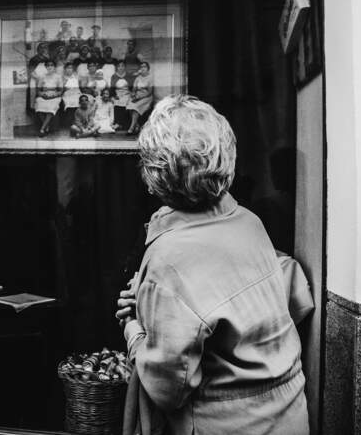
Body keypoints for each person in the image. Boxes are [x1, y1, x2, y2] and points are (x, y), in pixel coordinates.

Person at [115, 95, 311, 435]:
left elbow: (168, 389)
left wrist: (134, 327)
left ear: (155, 170)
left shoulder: (169, 257)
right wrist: (151, 301)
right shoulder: (248, 221)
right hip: (287, 415)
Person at [35, 60, 63, 137]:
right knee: (39, 104)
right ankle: (46, 126)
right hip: (44, 95)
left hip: (54, 96)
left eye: (51, 65)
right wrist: (42, 95)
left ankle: (42, 129)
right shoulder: (42, 76)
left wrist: (53, 95)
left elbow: (61, 91)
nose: (50, 67)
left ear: (54, 67)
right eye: (48, 65)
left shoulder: (58, 76)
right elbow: (38, 90)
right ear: (46, 67)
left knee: (50, 108)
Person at [126, 61, 154, 134]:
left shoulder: (150, 78)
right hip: (137, 96)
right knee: (129, 105)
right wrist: (133, 95)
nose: (143, 68)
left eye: (144, 67)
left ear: (148, 69)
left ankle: (131, 128)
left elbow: (149, 92)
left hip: (146, 97)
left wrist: (139, 98)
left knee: (135, 108)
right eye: (141, 67)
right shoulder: (138, 78)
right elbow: (134, 89)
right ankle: (137, 126)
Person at [61, 62, 82, 129]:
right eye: (68, 68)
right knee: (69, 102)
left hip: (76, 92)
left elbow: (79, 87)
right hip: (67, 94)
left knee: (78, 100)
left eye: (71, 68)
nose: (69, 70)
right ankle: (70, 122)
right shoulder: (62, 78)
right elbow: (62, 89)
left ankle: (77, 121)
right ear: (65, 69)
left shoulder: (76, 77)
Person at [111, 60, 131, 130]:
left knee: (126, 102)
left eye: (122, 66)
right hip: (117, 93)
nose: (121, 68)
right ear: (117, 67)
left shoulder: (128, 75)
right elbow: (112, 88)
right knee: (116, 102)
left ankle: (125, 124)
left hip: (126, 93)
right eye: (119, 66)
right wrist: (114, 95)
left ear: (125, 67)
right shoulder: (114, 76)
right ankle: (118, 123)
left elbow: (131, 87)